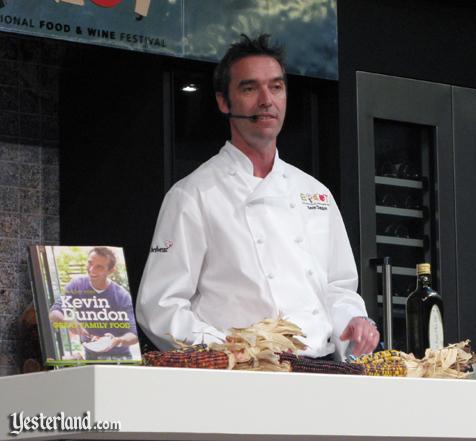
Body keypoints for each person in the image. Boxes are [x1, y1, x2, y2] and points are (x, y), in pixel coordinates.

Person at [136, 34, 379, 360]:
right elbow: (160, 307)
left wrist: (354, 321)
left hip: (321, 372)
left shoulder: (314, 193)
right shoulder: (193, 195)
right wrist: (227, 350)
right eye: (250, 88)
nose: (267, 100)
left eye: (276, 87)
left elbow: (337, 287)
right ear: (224, 102)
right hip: (240, 377)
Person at [49, 247, 139, 360]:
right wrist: (67, 321)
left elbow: (134, 334)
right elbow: (53, 314)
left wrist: (118, 341)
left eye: (99, 267)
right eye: (90, 263)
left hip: (120, 356)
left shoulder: (122, 296)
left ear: (111, 271)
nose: (91, 269)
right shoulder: (76, 285)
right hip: (90, 356)